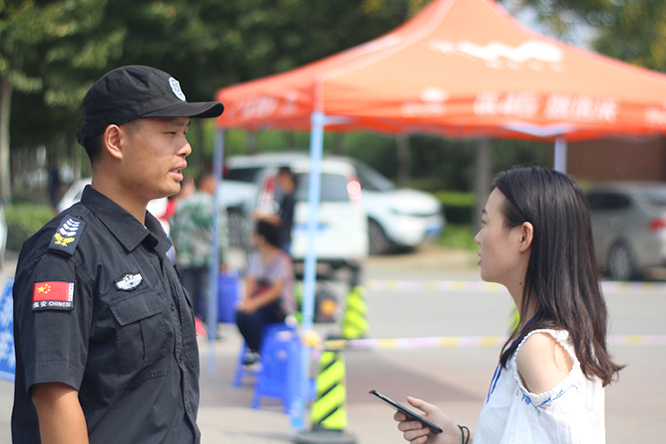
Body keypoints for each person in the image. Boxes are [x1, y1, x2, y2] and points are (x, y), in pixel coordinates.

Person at [11, 65, 224, 444]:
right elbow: (56, 400)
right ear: (115, 141)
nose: (185, 147)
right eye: (170, 132)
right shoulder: (65, 256)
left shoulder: (151, 244)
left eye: (185, 133)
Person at [393, 167, 623, 444]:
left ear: (523, 236)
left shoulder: (539, 349)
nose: (478, 237)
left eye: (485, 222)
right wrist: (458, 437)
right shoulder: (560, 334)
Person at [236, 219, 296, 366]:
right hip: (260, 305)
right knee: (241, 316)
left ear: (261, 238)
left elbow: (275, 291)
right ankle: (256, 350)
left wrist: (253, 304)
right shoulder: (256, 257)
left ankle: (259, 353)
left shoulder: (282, 259)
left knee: (252, 318)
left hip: (278, 308)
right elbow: (250, 281)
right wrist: (247, 302)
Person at [171, 172, 229, 322]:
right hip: (206, 256)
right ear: (207, 184)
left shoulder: (182, 203)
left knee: (187, 294)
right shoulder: (214, 205)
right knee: (208, 293)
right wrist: (223, 259)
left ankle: (188, 326)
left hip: (186, 256)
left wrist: (178, 252)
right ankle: (210, 327)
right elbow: (221, 235)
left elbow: (174, 231)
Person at [255, 166, 296, 253]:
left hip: (284, 239)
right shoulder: (285, 196)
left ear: (286, 176)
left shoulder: (290, 198)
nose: (278, 182)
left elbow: (280, 220)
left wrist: (263, 216)